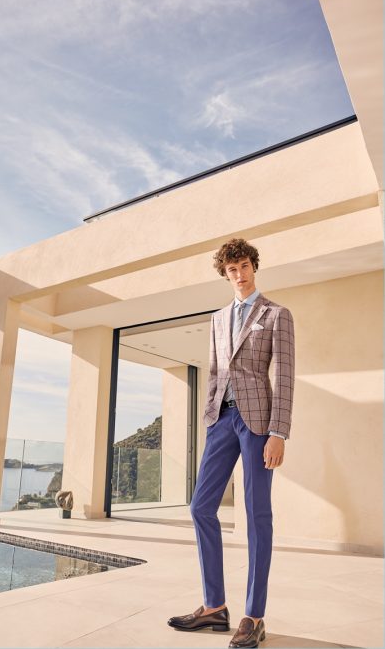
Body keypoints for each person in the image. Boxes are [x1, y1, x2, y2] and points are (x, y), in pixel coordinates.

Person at [167, 238, 295, 648]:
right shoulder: (218, 319)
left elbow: (284, 377)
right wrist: (210, 418)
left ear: (254, 267)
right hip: (221, 420)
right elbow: (214, 372)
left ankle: (253, 616)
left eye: (244, 266)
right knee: (201, 507)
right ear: (225, 274)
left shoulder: (276, 314)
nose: (239, 274)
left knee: (257, 515)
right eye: (231, 269)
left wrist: (278, 433)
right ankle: (214, 607)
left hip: (257, 424)